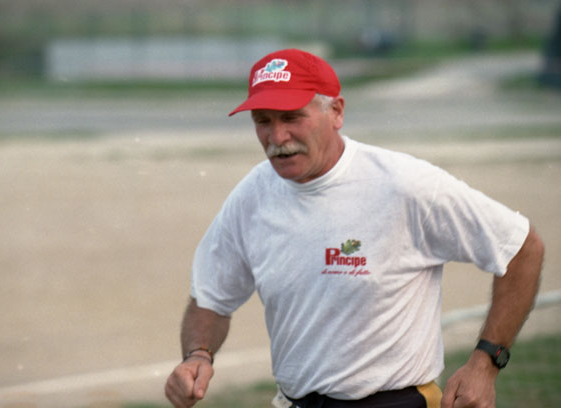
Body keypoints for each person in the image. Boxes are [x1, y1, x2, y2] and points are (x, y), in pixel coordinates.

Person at [164, 49, 544, 408]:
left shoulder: (404, 185)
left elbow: (522, 248)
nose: (276, 137)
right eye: (263, 121)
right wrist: (198, 355)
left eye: (292, 118)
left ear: (336, 112)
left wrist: (486, 363)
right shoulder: (253, 195)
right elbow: (210, 297)